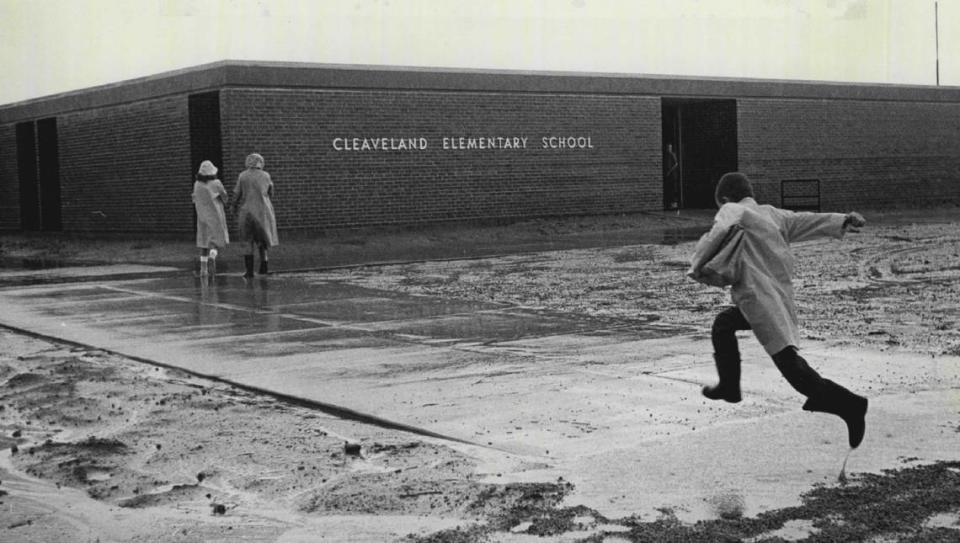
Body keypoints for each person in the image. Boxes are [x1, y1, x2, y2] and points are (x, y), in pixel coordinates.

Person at [687, 172, 869, 449]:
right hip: (776, 297)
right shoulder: (772, 215)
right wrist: (842, 219)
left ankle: (851, 405)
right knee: (724, 324)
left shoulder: (732, 210)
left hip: (760, 299)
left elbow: (718, 233)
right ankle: (730, 387)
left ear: (723, 199)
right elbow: (806, 220)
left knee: (791, 368)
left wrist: (696, 265)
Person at [233, 153, 279, 277]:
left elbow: (237, 194)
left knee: (247, 240)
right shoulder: (266, 176)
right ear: (261, 162)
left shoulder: (242, 176)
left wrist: (233, 206)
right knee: (262, 240)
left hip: (246, 211)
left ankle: (249, 271)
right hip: (262, 211)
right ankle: (264, 266)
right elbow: (271, 192)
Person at [192, 160, 229, 276]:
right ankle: (212, 256)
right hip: (215, 214)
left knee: (204, 242)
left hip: (202, 216)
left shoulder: (197, 184)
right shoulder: (216, 183)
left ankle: (203, 269)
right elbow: (225, 197)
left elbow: (194, 198)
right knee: (215, 240)